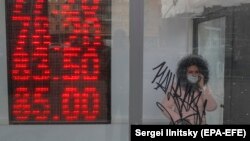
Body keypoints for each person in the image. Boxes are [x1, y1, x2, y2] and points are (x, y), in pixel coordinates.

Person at [160, 54, 217, 125]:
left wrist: (203, 87)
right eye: (190, 72)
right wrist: (179, 120)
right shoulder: (175, 87)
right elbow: (164, 107)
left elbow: (211, 107)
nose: (194, 74)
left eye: (197, 72)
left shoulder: (204, 88)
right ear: (184, 73)